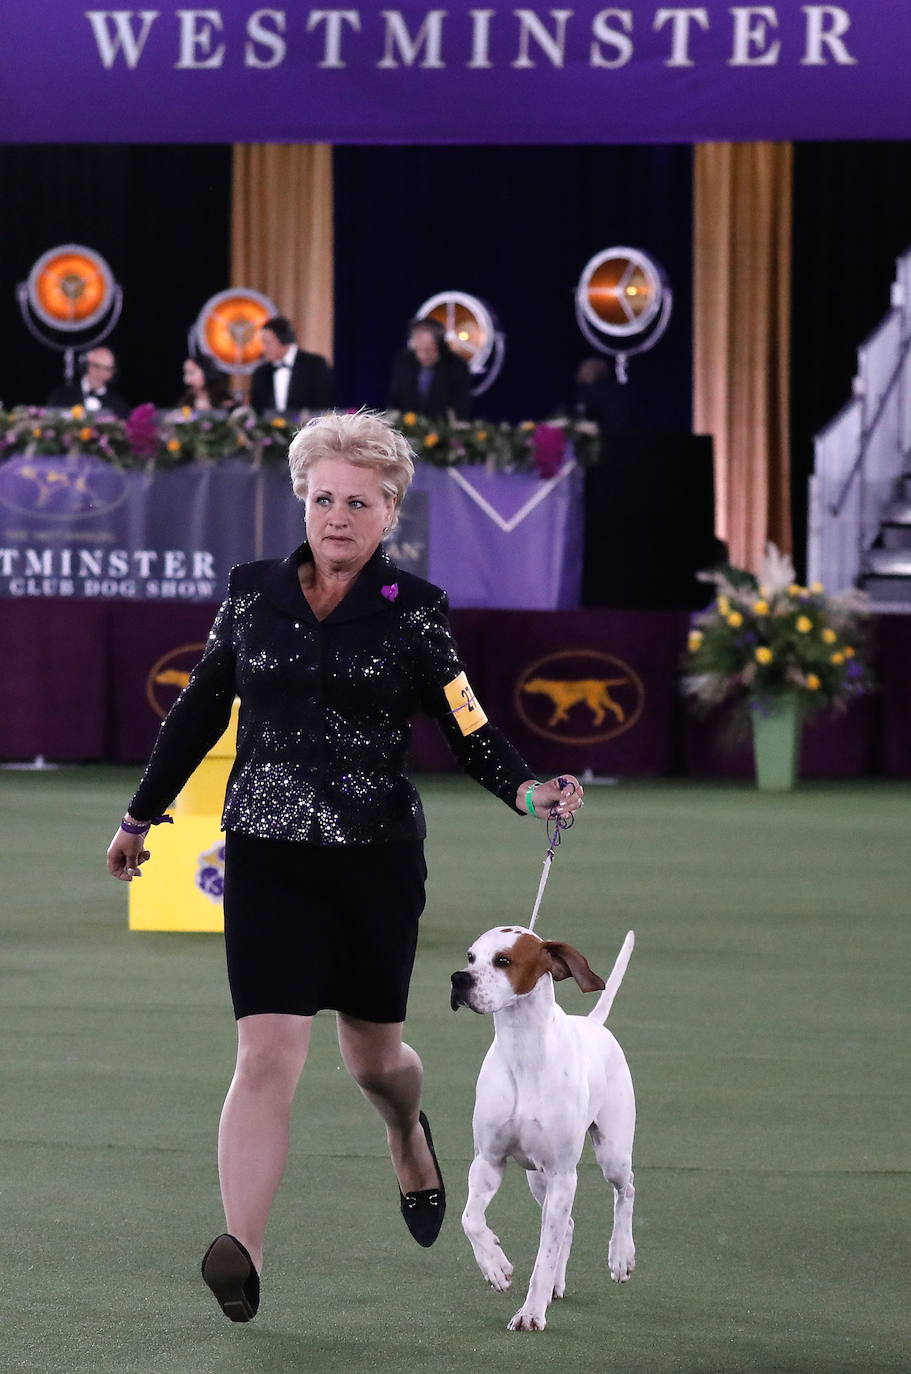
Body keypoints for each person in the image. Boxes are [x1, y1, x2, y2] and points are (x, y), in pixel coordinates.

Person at [106, 409, 583, 1323]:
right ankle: (242, 1250)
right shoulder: (251, 594)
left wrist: (530, 793)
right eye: (322, 498)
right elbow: (199, 712)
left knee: (372, 1061)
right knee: (265, 1055)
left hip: (374, 865)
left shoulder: (417, 613)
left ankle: (408, 1132)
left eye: (357, 503)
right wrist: (141, 815)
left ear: (389, 510)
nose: (335, 517)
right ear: (302, 499)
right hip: (266, 858)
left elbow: (469, 730)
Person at [387, 319, 472, 421]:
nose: (422, 355)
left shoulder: (457, 367)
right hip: (408, 430)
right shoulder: (404, 362)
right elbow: (395, 401)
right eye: (418, 350)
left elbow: (460, 408)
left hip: (443, 431)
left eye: (428, 350)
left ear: (440, 346)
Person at [249, 315, 332, 415]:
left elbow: (324, 406)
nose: (263, 349)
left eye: (268, 343)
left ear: (285, 341)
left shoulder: (315, 365)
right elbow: (256, 411)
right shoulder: (260, 372)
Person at [47, 345, 130, 418]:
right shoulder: (61, 396)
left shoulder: (119, 405)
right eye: (97, 366)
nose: (102, 373)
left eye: (108, 369)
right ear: (86, 366)